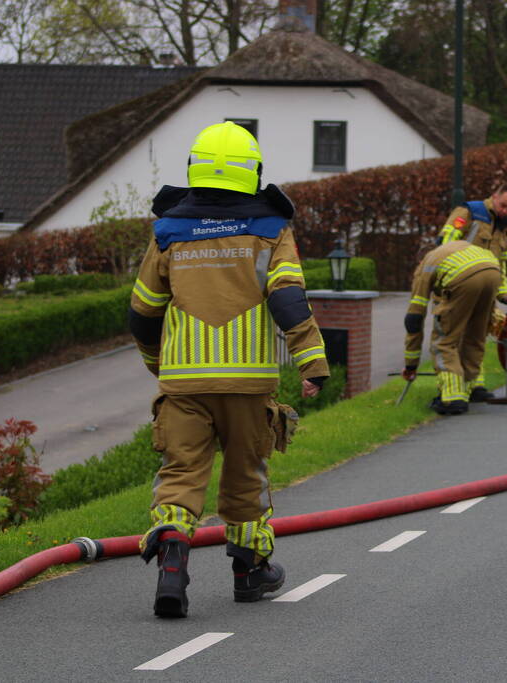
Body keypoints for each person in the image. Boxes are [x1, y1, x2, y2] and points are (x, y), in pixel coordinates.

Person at [128, 121, 329, 618]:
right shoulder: (271, 229)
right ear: (252, 172)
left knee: (180, 475)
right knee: (245, 476)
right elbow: (287, 298)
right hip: (247, 385)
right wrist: (312, 361)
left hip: (184, 384)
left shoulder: (168, 231)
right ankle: (250, 571)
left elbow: (144, 311)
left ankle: (171, 561)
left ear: (194, 168)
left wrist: (157, 363)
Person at [437, 183, 507, 401]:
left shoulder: (504, 227)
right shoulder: (470, 212)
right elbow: (445, 244)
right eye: (503, 205)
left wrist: (503, 293)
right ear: (494, 196)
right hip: (457, 286)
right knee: (452, 336)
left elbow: (501, 265)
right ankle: (452, 390)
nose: (505, 211)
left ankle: (475, 385)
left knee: (477, 336)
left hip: (485, 291)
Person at [403, 240, 502, 415]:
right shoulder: (455, 250)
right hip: (494, 272)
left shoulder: (426, 265)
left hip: (464, 278)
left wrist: (411, 365)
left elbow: (414, 318)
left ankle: (452, 399)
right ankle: (471, 388)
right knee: (474, 337)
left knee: (444, 342)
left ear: (420, 261)